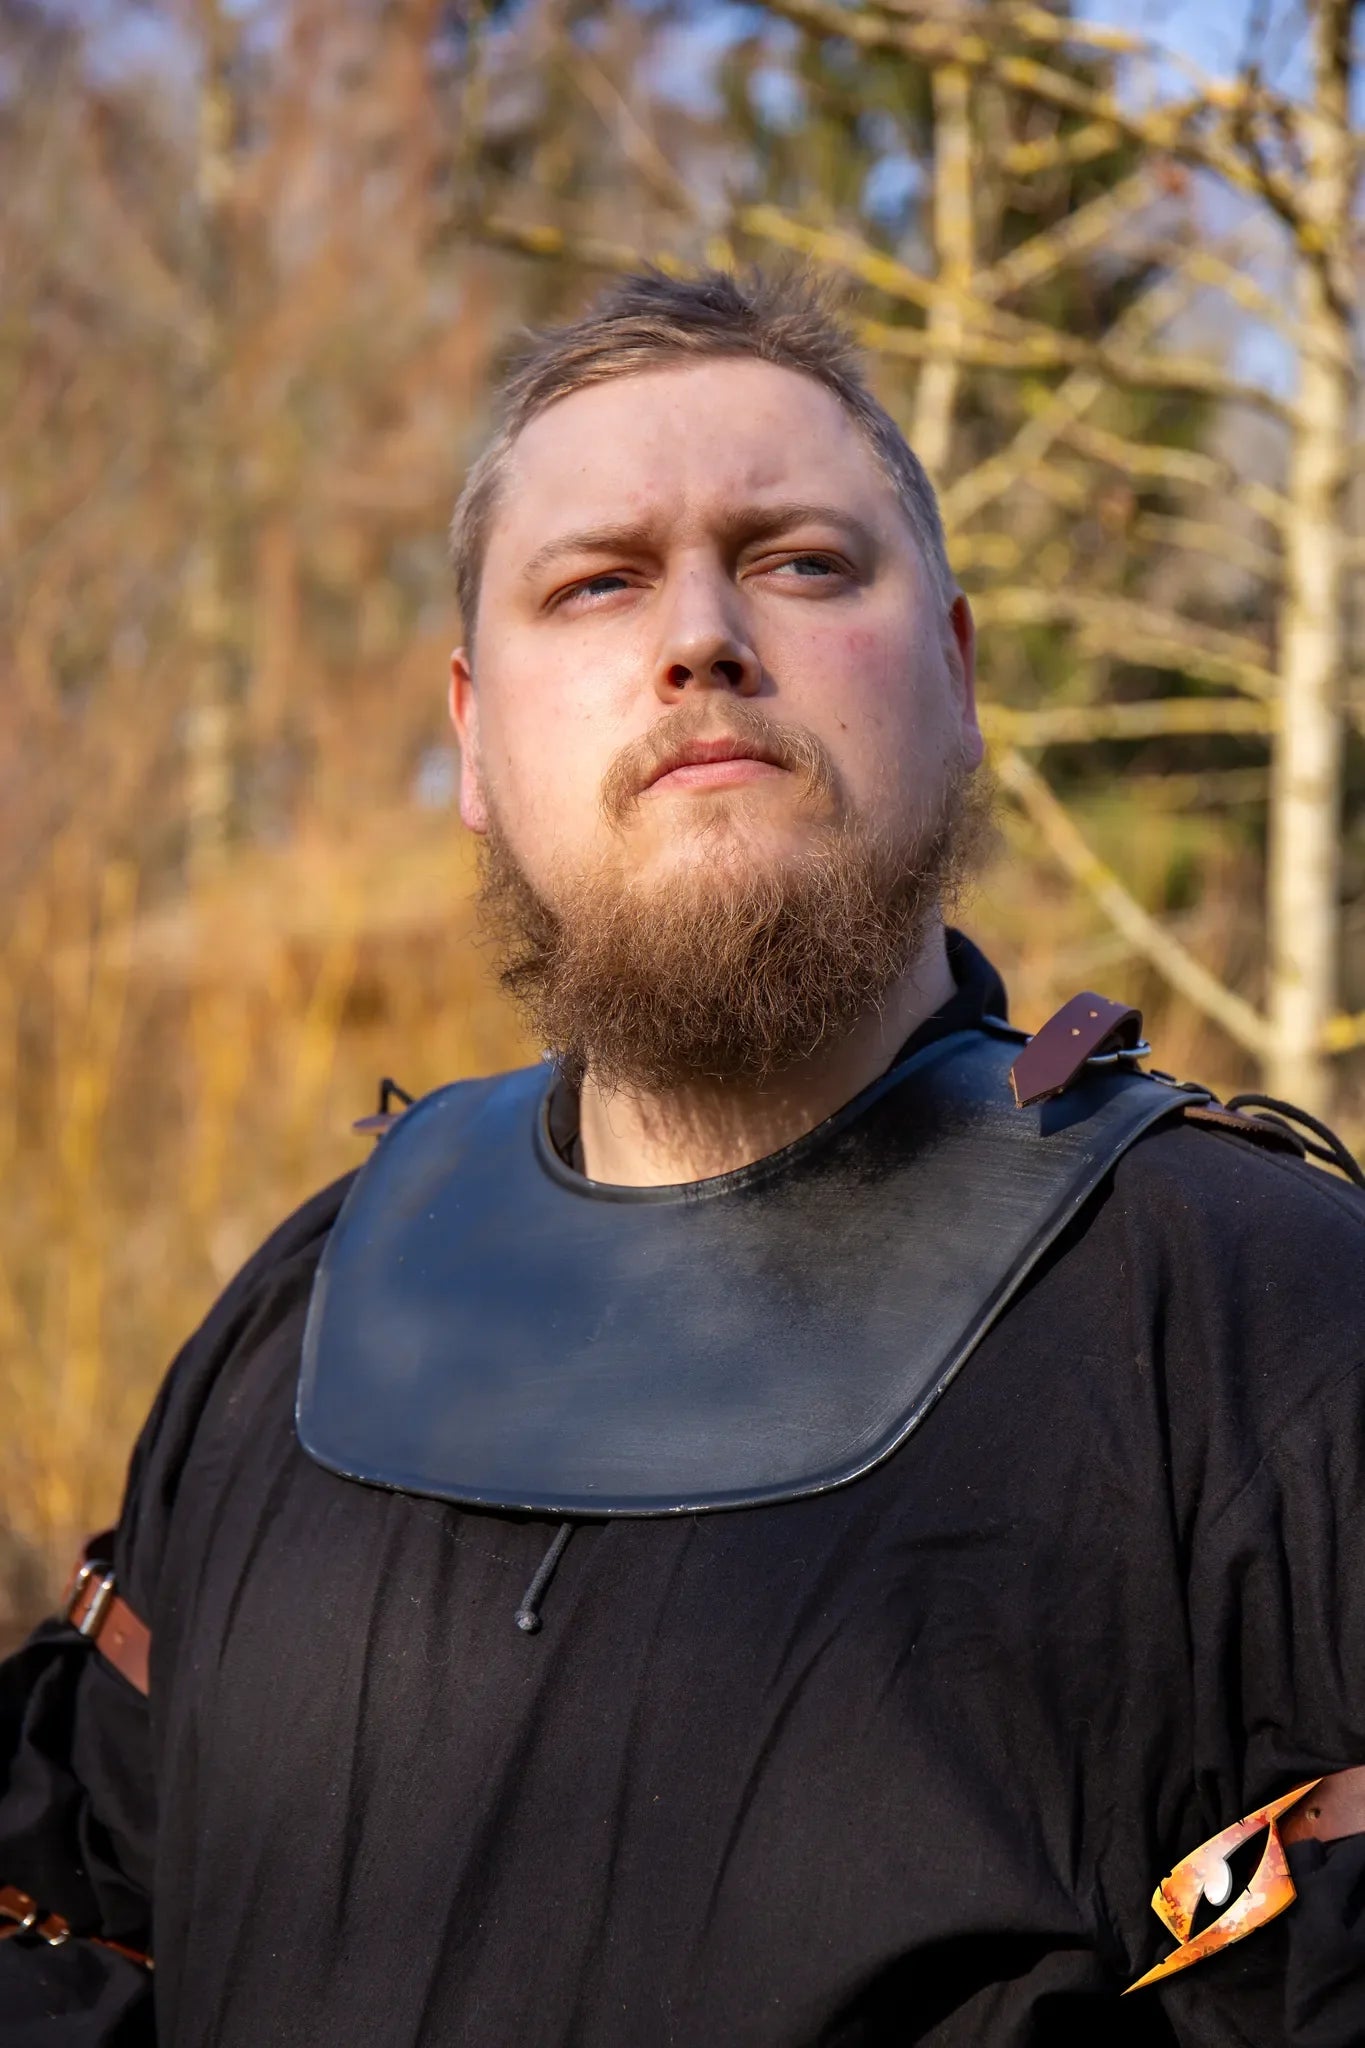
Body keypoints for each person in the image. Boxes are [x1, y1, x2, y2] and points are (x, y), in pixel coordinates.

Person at [2, 267, 1363, 2048]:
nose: (704, 635)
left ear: (954, 679)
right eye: (599, 581)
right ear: (472, 738)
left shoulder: (1271, 1321)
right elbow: (77, 1943)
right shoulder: (307, 1310)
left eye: (801, 561)